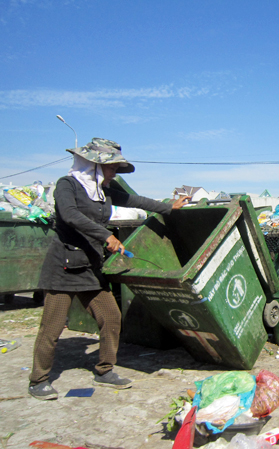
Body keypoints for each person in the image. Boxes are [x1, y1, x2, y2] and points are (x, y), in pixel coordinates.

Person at [28, 138, 189, 400]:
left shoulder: (102, 190)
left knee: (111, 318)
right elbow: (69, 215)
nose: (114, 173)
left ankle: (104, 370)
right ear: (93, 165)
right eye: (111, 167)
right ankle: (38, 380)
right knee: (52, 326)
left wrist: (169, 207)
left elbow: (134, 200)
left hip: (90, 266)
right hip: (64, 268)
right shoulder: (67, 185)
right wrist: (106, 236)